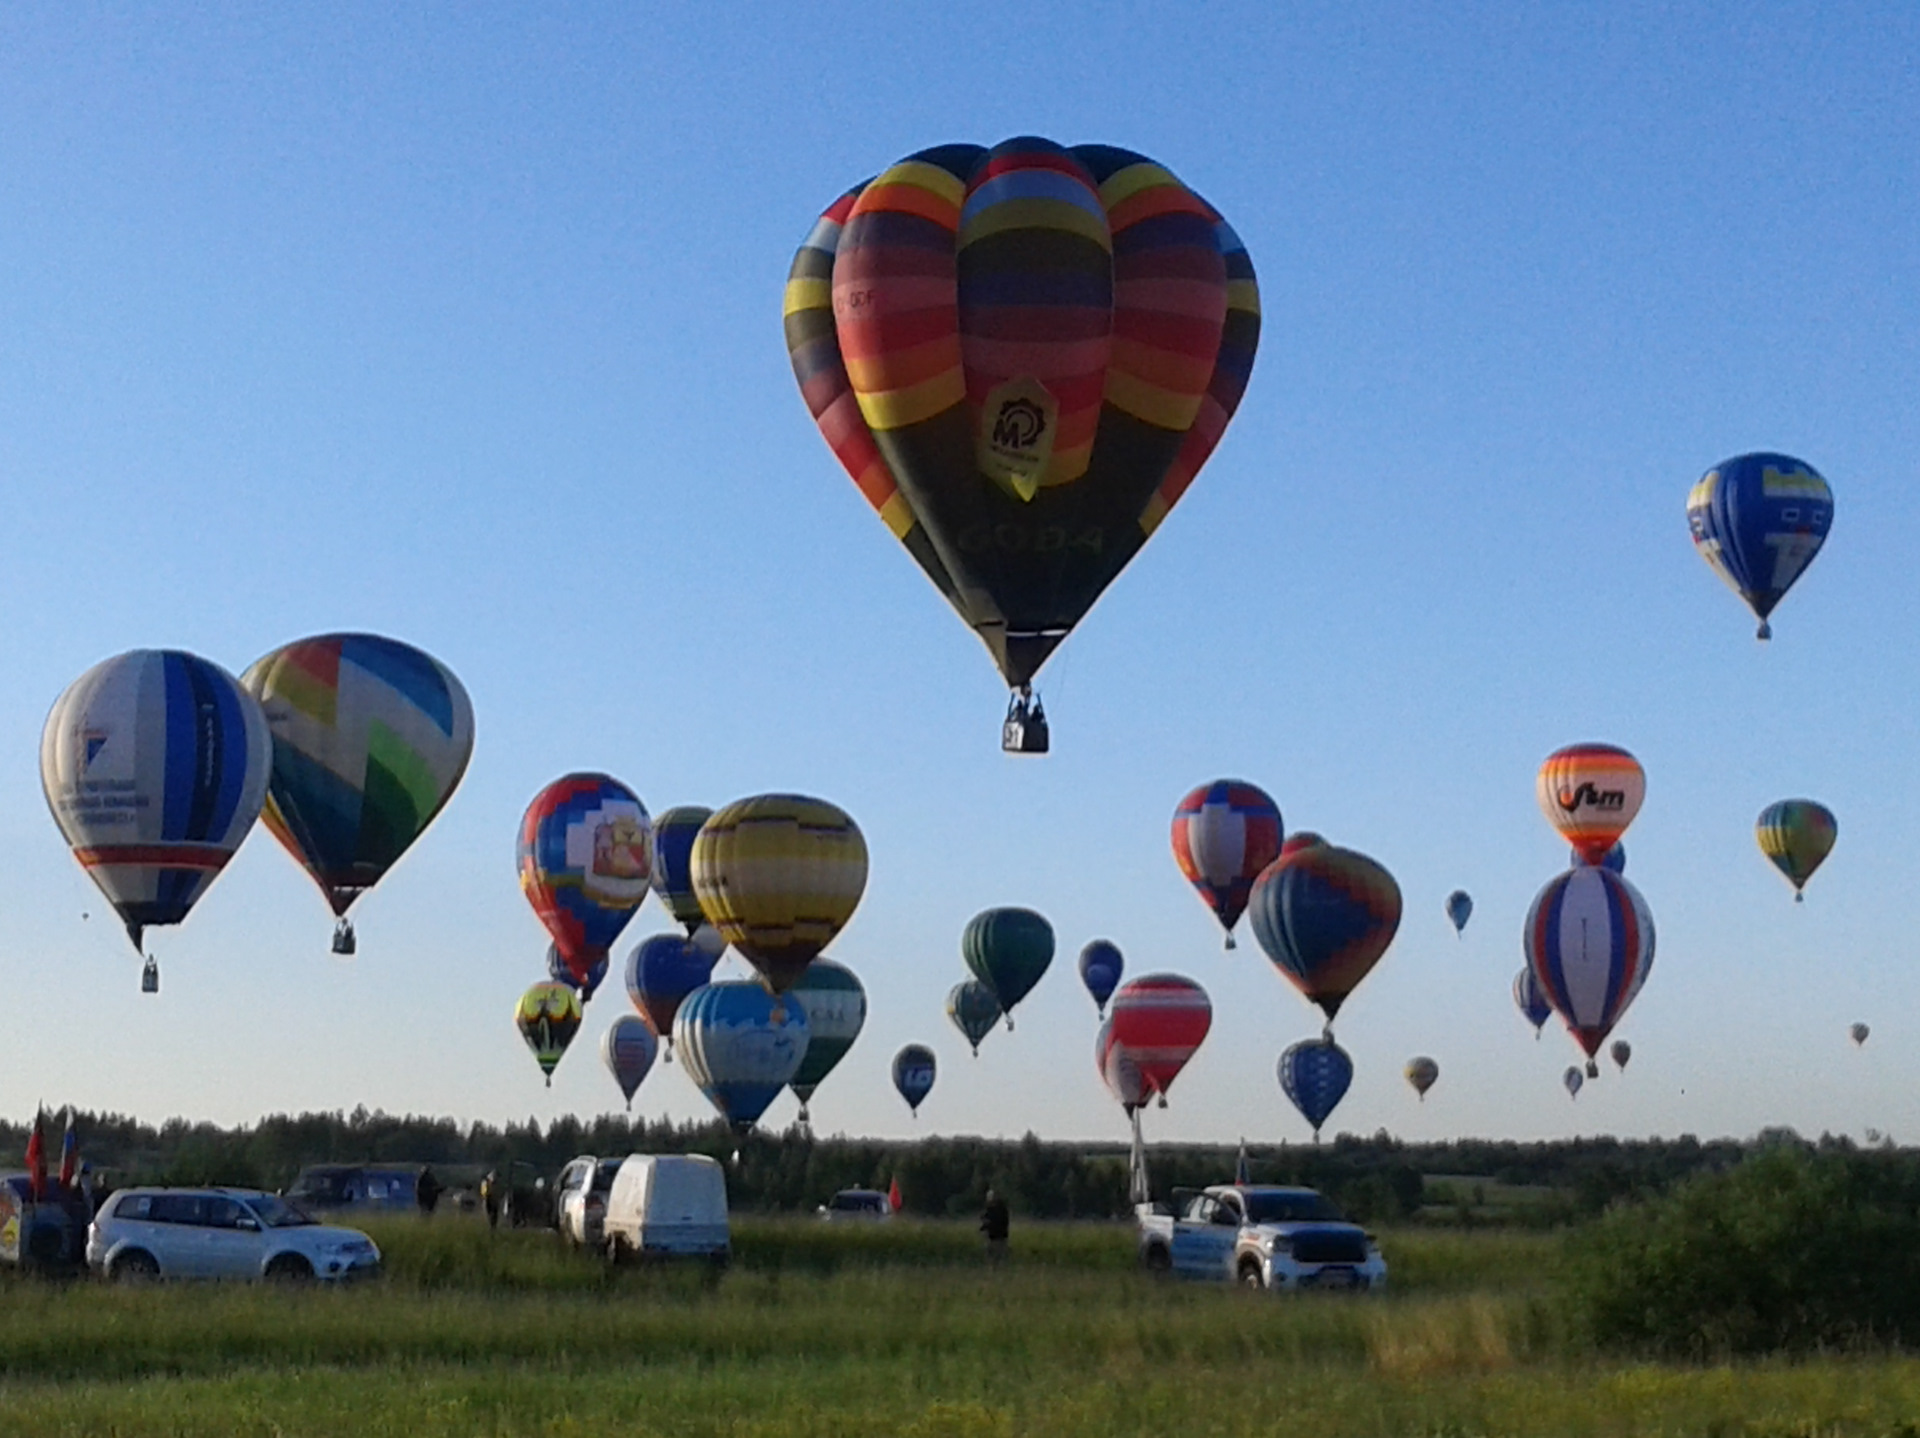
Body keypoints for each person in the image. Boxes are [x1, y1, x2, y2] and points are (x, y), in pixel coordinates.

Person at [979, 1188, 1010, 1263]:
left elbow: (1002, 1222)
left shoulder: (1001, 1210)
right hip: (991, 1236)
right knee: (991, 1256)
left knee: (997, 1256)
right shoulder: (989, 1209)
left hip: (999, 1236)